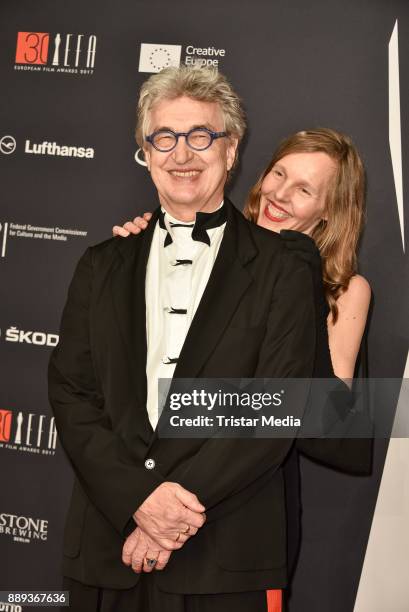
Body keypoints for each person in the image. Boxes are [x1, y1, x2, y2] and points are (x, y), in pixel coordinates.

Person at [49, 65, 325, 612]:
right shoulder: (100, 264)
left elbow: (276, 403)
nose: (182, 155)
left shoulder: (285, 267)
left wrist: (168, 516)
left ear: (231, 149)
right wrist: (137, 500)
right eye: (165, 138)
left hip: (226, 552)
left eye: (201, 136)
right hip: (108, 549)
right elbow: (72, 395)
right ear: (145, 152)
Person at [114, 127, 371, 382]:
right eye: (279, 174)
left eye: (304, 190)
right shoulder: (208, 248)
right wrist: (140, 259)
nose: (279, 194)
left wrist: (311, 296)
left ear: (330, 209)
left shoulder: (345, 291)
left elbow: (331, 408)